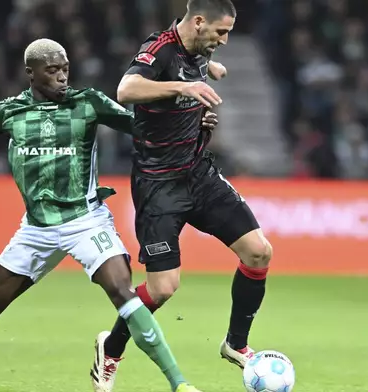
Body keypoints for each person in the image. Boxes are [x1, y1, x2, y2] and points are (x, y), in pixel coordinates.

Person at [0, 38, 218, 392]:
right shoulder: (9, 111)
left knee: (123, 292)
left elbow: (141, 126)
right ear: (31, 74)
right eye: (53, 70)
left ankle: (179, 384)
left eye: (65, 69)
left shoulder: (87, 103)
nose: (62, 77)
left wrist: (192, 124)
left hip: (85, 221)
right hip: (36, 228)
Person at [90, 1, 274, 391]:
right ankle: (111, 347)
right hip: (158, 186)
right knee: (162, 289)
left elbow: (199, 73)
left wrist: (208, 78)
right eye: (221, 33)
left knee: (259, 251)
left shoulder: (199, 54)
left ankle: (235, 344)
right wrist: (186, 87)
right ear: (199, 21)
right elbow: (126, 89)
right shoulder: (160, 50)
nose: (224, 40)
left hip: (199, 175)